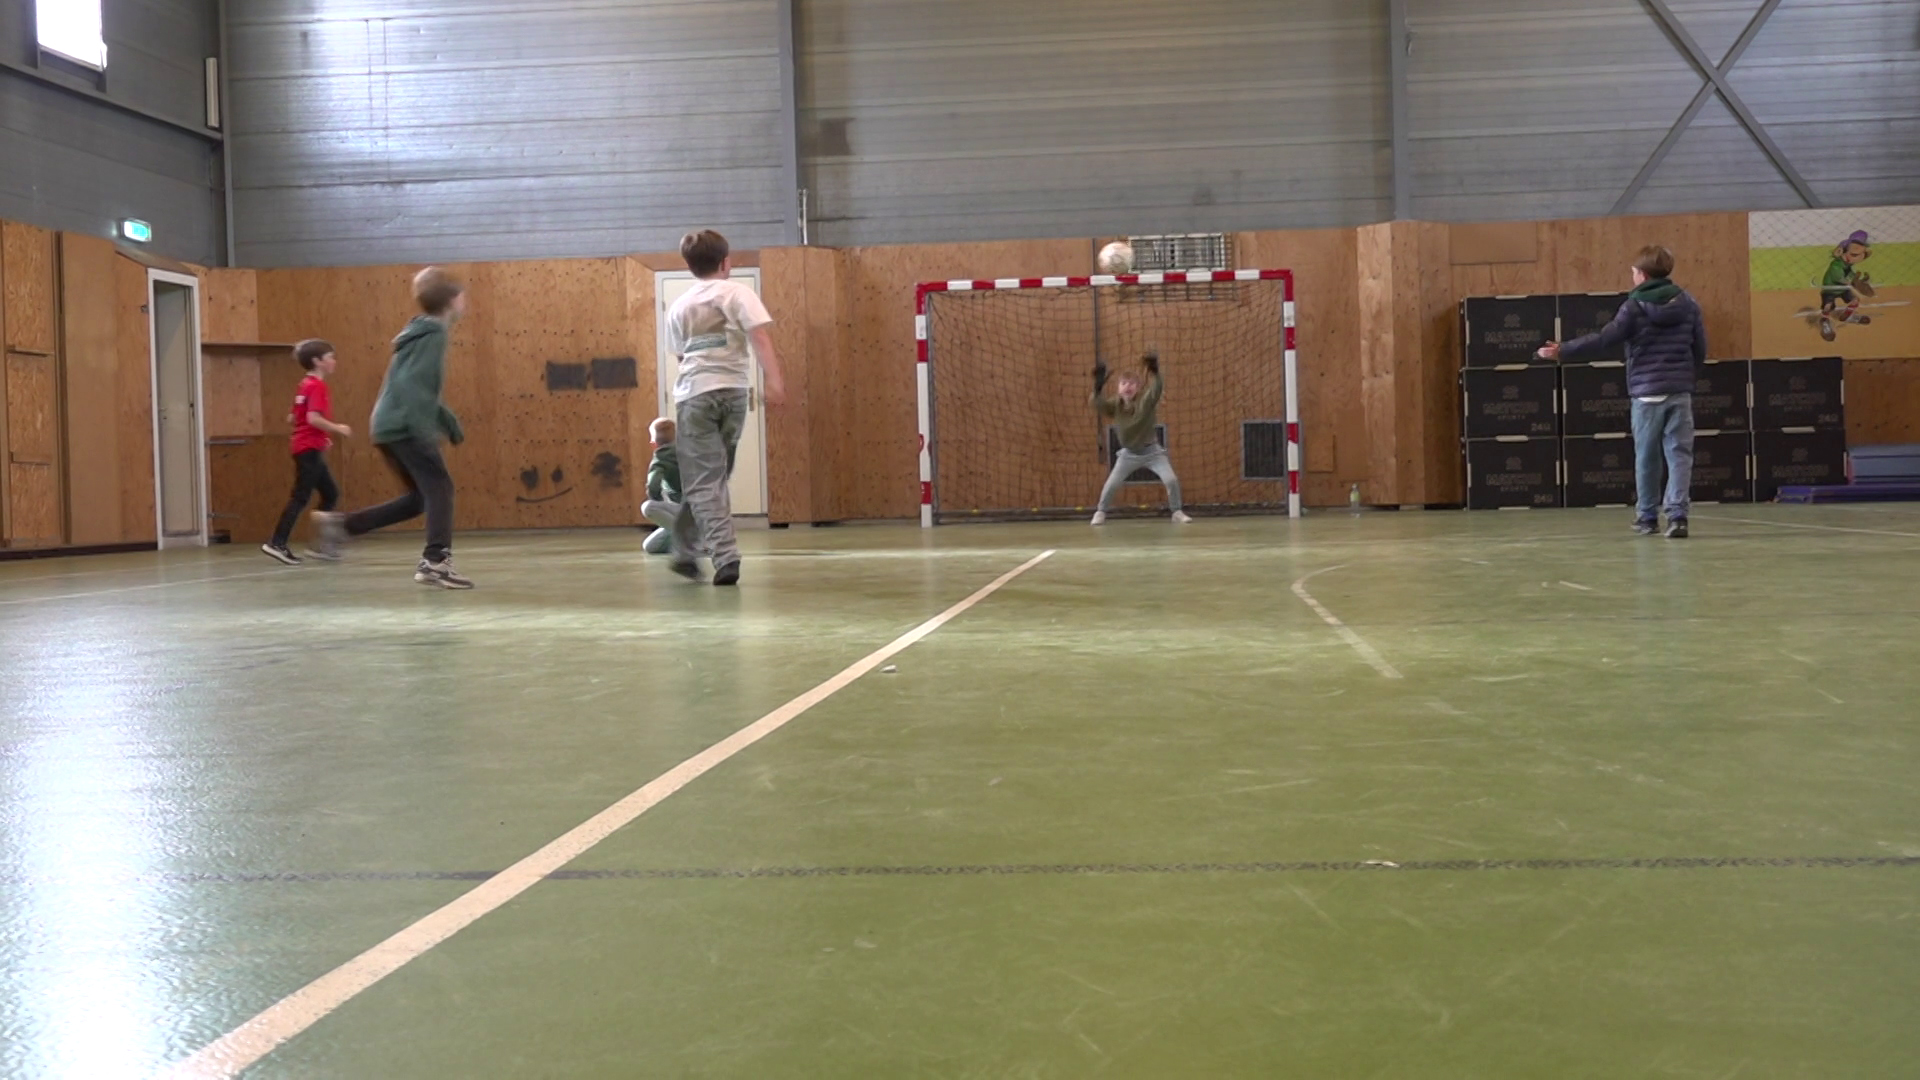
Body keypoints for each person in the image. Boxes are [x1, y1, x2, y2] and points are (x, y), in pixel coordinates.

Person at [312, 267, 472, 587]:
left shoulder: (419, 331)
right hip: (404, 424)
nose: (465, 302)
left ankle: (343, 526)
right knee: (440, 488)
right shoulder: (435, 334)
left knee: (419, 498)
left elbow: (410, 384)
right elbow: (414, 386)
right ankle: (436, 562)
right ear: (453, 300)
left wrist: (444, 418)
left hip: (388, 423)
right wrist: (427, 426)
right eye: (463, 296)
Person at [1539, 245, 1705, 539]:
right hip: (1679, 391)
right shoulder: (1688, 303)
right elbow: (1699, 348)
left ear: (1641, 274)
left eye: (1633, 271)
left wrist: (1563, 350)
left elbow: (1605, 339)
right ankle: (1678, 516)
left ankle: (1647, 518)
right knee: (1680, 455)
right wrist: (1686, 378)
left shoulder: (1634, 306)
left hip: (1646, 393)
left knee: (1646, 457)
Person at [662, 229, 786, 586]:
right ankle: (688, 552)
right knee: (711, 480)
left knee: (705, 481)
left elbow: (682, 355)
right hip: (732, 395)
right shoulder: (737, 292)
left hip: (695, 395)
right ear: (726, 263)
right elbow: (758, 336)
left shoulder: (679, 306)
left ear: (689, 266)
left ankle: (724, 556)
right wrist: (774, 380)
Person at [262, 339, 351, 565]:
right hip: (308, 449)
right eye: (330, 357)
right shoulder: (317, 387)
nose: (334, 361)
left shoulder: (304, 385)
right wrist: (337, 428)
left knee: (330, 494)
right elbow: (312, 418)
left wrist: (322, 437)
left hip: (309, 446)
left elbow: (293, 417)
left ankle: (321, 545)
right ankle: (277, 542)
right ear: (317, 362)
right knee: (300, 497)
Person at [1090, 350, 1190, 526]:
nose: (1127, 386)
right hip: (1128, 454)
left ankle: (1177, 511)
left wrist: (1156, 373)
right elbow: (1098, 405)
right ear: (1118, 388)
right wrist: (1096, 389)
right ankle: (1100, 512)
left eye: (1132, 384)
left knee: (1171, 480)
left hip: (1153, 452)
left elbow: (1156, 390)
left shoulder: (1145, 401)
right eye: (1123, 383)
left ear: (1138, 388)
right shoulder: (1115, 405)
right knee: (1111, 485)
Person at [640, 417, 681, 556]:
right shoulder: (692, 451)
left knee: (648, 507)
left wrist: (656, 500)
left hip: (689, 511)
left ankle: (690, 541)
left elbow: (653, 485)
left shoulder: (662, 457)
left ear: (654, 443)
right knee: (650, 546)